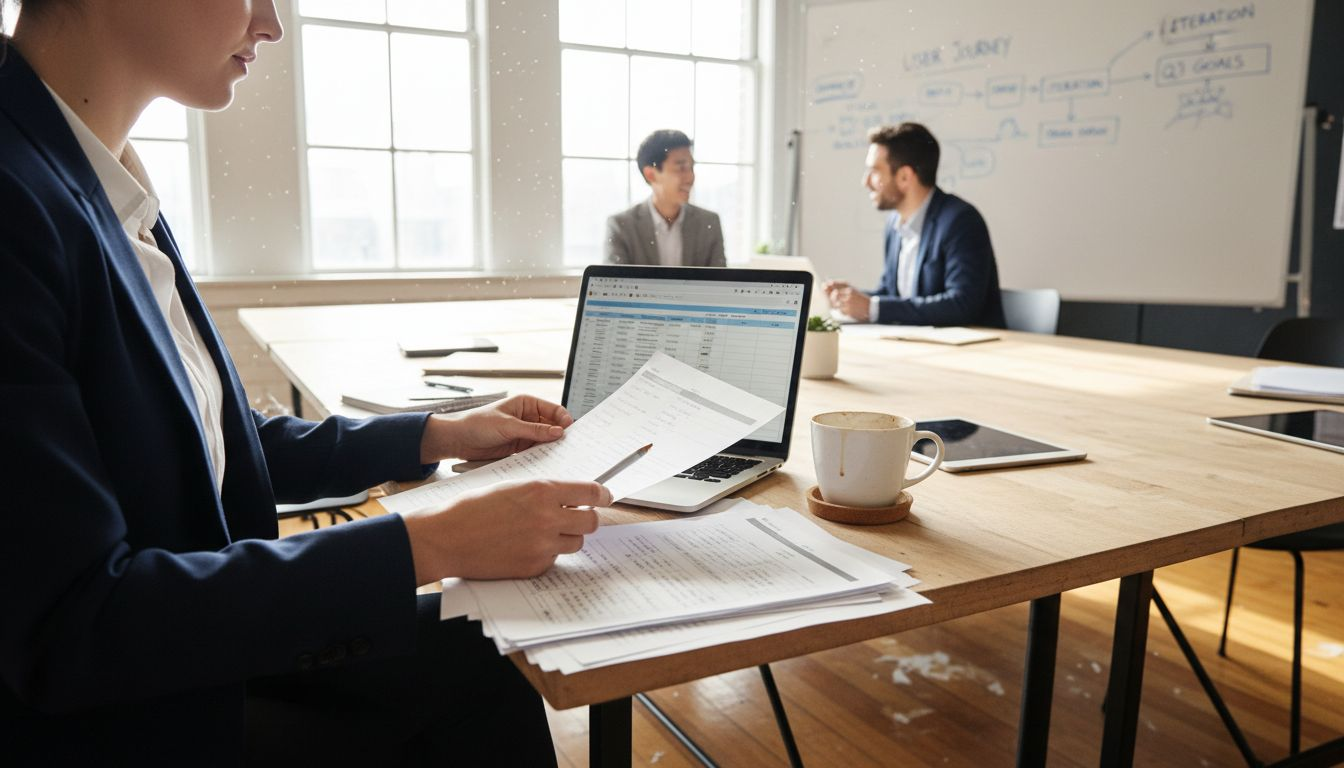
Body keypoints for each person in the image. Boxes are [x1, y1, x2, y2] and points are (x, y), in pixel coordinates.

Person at [0, 2, 608, 764]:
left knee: (477, 660)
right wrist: (425, 544)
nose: (270, 24)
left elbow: (208, 429)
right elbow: (74, 626)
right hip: (120, 716)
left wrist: (436, 433)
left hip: (188, 658)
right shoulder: (18, 201)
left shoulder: (102, 177)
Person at [825, 123, 1006, 327]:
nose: (865, 181)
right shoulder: (894, 224)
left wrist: (872, 308)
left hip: (971, 350)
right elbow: (892, 295)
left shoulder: (960, 221)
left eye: (874, 171)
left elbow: (962, 305)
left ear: (904, 177)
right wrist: (849, 299)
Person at [605, 129, 726, 267]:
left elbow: (720, 284)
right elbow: (613, 285)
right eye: (681, 168)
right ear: (651, 174)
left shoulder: (709, 223)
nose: (691, 177)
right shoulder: (621, 226)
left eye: (691, 168)